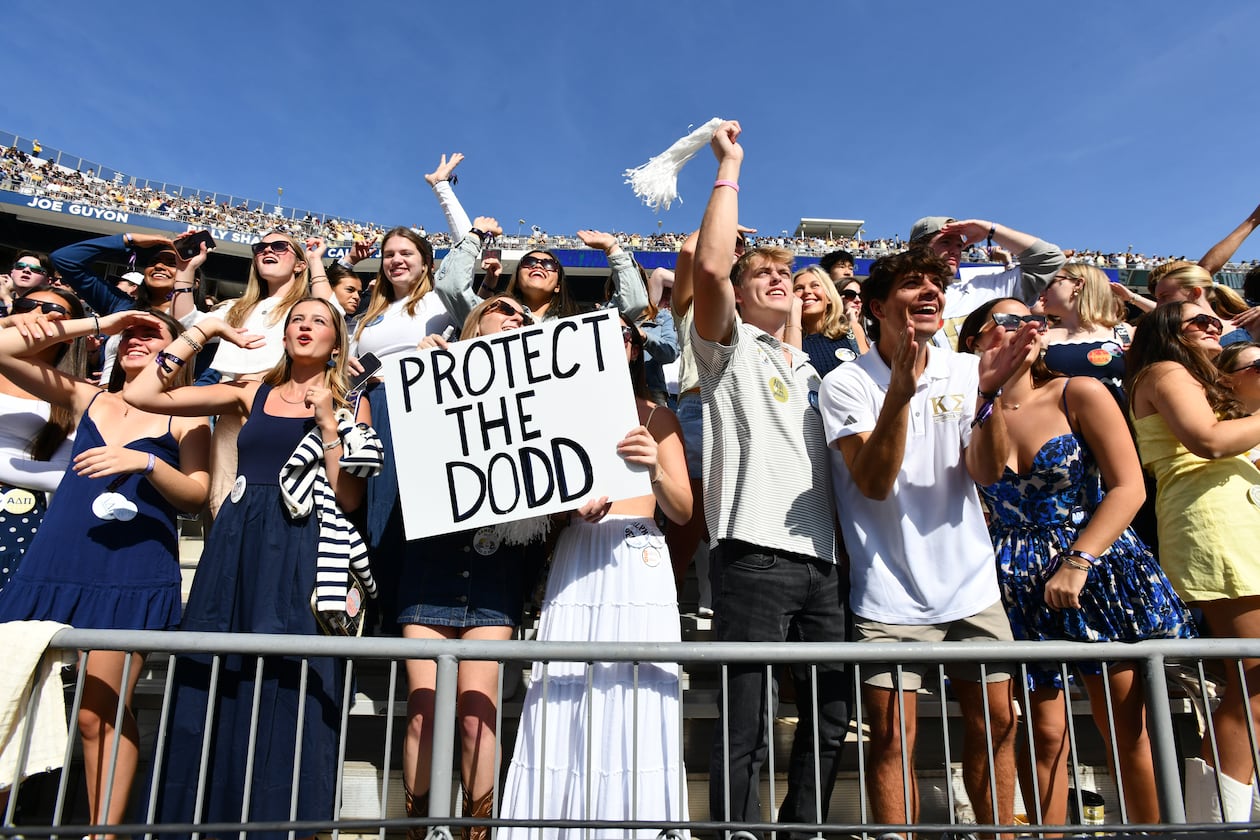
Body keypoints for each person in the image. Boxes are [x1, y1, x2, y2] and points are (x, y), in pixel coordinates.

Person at [126, 298, 376, 840]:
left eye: (320, 321)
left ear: (337, 342)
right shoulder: (250, 390)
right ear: (284, 335)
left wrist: (329, 423)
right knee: (217, 666)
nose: (306, 327)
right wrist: (205, 330)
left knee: (291, 674)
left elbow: (347, 496)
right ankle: (198, 814)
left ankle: (282, 819)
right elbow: (143, 394)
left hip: (303, 543)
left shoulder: (351, 401)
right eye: (297, 320)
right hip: (237, 541)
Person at [818, 247, 1039, 833]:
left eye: (936, 285)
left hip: (972, 585)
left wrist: (990, 400)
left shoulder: (969, 370)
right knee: (892, 740)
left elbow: (990, 472)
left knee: (998, 725)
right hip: (887, 593)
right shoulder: (844, 384)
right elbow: (872, 483)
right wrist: (900, 390)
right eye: (912, 284)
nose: (929, 292)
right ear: (876, 306)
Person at [958, 297, 1195, 827]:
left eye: (1033, 320)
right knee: (1043, 733)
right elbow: (982, 474)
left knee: (1125, 728)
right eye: (1010, 321)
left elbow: (1129, 487)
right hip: (1012, 577)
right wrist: (986, 394)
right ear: (975, 340)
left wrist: (1079, 559)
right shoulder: (966, 409)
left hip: (1097, 565)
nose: (1029, 328)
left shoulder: (1078, 392)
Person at [692, 120, 848, 837]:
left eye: (787, 272)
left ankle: (803, 828)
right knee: (743, 720)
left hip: (826, 563)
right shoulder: (727, 351)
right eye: (764, 273)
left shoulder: (820, 372)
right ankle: (734, 832)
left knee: (829, 716)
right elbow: (710, 270)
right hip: (752, 553)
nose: (778, 278)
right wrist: (730, 166)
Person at [0, 306, 209, 830]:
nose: (137, 339)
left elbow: (198, 495)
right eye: (130, 334)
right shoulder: (88, 395)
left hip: (130, 570)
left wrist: (146, 462)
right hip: (55, 560)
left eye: (151, 333)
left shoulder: (185, 414)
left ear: (178, 352)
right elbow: (3, 351)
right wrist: (100, 325)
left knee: (98, 712)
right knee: (8, 699)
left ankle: (104, 832)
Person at [499, 312, 692, 840]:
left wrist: (655, 464)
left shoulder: (658, 417)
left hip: (637, 560)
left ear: (635, 349)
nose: (611, 345)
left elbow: (679, 509)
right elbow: (539, 506)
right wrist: (569, 512)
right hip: (579, 555)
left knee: (637, 687)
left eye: (622, 336)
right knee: (565, 684)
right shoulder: (555, 414)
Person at [395, 295, 550, 840]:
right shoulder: (431, 369)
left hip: (496, 573)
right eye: (502, 308)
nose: (515, 316)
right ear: (474, 321)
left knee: (476, 716)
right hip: (432, 566)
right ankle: (419, 831)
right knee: (424, 711)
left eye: (524, 316)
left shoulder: (543, 391)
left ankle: (476, 833)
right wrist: (418, 366)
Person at [1125, 301, 1260, 822]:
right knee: (1254, 679)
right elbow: (1208, 441)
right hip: (1215, 526)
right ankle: (1219, 821)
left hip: (1235, 523)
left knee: (1250, 681)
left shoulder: (1203, 380)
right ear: (1166, 331)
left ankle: (1223, 812)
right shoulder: (1164, 370)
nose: (1212, 326)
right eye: (1197, 321)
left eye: (1215, 320)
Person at [0, 288, 88, 590]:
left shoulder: (76, 394)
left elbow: (67, 476)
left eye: (53, 311)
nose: (37, 315)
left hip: (21, 526)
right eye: (28, 305)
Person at [907, 215, 1065, 348]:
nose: (955, 250)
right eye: (945, 242)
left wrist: (990, 230)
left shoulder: (983, 289)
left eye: (959, 245)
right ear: (917, 249)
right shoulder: (895, 299)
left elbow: (1050, 259)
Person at [1038, 263, 1133, 401]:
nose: (1042, 291)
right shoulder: (1040, 334)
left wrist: (1134, 299)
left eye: (1049, 283)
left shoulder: (1123, 332)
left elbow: (1171, 322)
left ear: (1078, 284)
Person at [1147, 260, 1255, 346]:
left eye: (1165, 296)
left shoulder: (1251, 328)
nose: (1158, 305)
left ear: (1195, 293)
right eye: (1157, 299)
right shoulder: (1166, 341)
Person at [790, 264, 863, 376]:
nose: (807, 291)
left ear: (829, 297)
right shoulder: (784, 339)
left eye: (815, 285)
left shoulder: (852, 331)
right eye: (799, 288)